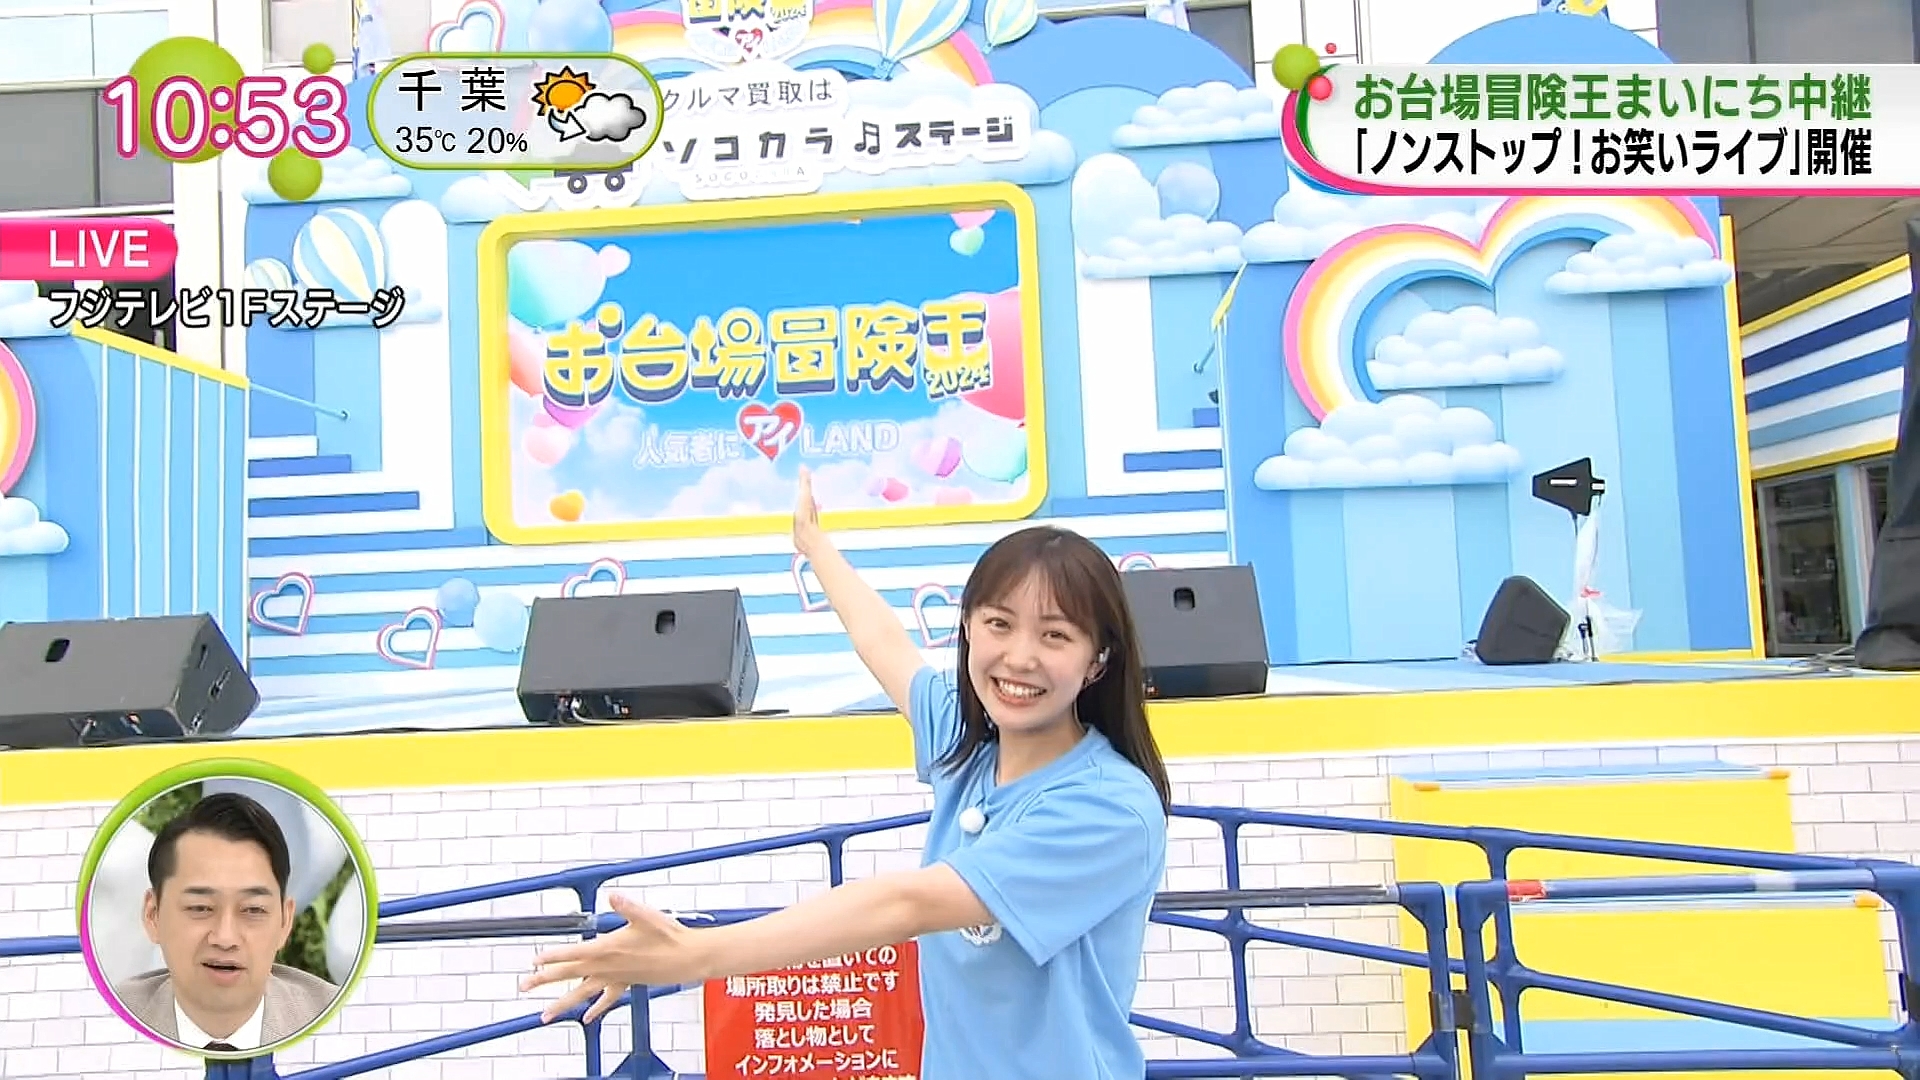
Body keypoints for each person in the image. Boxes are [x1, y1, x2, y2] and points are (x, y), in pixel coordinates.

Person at [520, 467, 1173, 1078]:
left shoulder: (1109, 806)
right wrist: (813, 544)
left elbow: (909, 904)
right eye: (998, 624)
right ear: (969, 629)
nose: (1020, 657)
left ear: (1098, 660)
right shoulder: (968, 741)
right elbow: (881, 640)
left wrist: (697, 954)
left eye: (1055, 636)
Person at [111, 792, 341, 1052]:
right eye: (200, 908)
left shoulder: (339, 1019)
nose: (225, 938)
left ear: (285, 922)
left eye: (253, 909)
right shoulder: (109, 1019)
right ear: (153, 915)